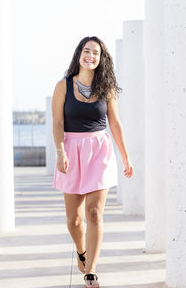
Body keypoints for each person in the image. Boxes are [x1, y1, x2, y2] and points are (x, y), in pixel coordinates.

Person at [52, 36, 133, 288]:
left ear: (101, 59)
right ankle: (82, 250)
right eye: (86, 51)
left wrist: (125, 157)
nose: (90, 56)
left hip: (99, 150)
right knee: (74, 220)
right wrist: (61, 152)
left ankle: (92, 270)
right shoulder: (63, 86)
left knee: (95, 213)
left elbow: (115, 124)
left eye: (95, 53)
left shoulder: (107, 87)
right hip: (71, 150)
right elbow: (57, 123)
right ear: (79, 54)